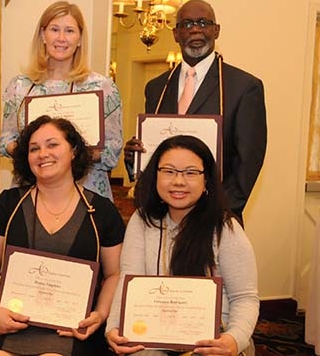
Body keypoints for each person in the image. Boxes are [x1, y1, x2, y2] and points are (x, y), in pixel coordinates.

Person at [0, 115, 125, 355]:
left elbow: (115, 273)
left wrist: (100, 314)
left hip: (71, 330)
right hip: (10, 324)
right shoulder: (8, 204)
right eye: (34, 148)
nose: (43, 153)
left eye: (52, 144)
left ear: (73, 151)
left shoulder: (102, 212)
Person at [106, 135, 259, 356]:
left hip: (213, 340)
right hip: (153, 335)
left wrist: (234, 339)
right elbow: (129, 281)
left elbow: (245, 297)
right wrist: (113, 328)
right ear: (155, 175)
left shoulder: (225, 229)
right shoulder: (142, 221)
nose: (178, 181)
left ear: (206, 179)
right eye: (168, 171)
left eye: (190, 173)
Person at [124, 0, 267, 220]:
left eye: (203, 22)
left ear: (216, 30)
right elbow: (157, 152)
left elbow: (248, 161)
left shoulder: (244, 87)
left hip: (216, 217)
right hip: (163, 214)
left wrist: (219, 210)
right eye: (188, 24)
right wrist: (135, 157)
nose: (196, 29)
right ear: (176, 34)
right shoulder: (156, 88)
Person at [0, 1, 122, 200]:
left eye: (70, 31)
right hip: (32, 192)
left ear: (80, 38)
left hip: (87, 193)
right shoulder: (20, 87)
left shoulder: (103, 87)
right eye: (54, 29)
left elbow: (112, 150)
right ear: (43, 35)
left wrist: (68, 154)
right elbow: (6, 142)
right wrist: (38, 152)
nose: (62, 38)